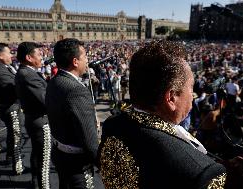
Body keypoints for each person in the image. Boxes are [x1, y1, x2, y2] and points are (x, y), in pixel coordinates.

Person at [99, 40, 228, 188]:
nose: (193, 95)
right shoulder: (202, 173)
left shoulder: (112, 124)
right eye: (190, 88)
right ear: (171, 98)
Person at [45, 38, 104, 189]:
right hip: (77, 163)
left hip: (61, 154)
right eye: (85, 56)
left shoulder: (55, 81)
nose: (87, 60)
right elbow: (90, 142)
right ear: (75, 61)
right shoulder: (76, 90)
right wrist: (104, 165)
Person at [15, 42, 50, 189]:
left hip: (33, 118)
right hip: (40, 120)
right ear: (29, 57)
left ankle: (37, 182)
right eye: (39, 54)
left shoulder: (26, 72)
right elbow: (45, 100)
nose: (42, 57)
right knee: (44, 158)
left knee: (38, 154)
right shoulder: (28, 75)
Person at [0, 43, 23, 175]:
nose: (11, 55)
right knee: (16, 135)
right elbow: (14, 89)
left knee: (12, 134)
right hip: (10, 108)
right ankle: (17, 164)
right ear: (0, 55)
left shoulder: (3, 67)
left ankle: (10, 156)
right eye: (8, 53)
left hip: (11, 106)